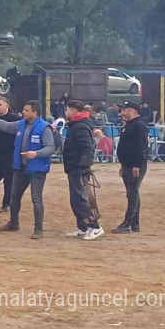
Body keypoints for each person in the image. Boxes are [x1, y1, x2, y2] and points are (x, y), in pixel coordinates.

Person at [0, 100, 56, 240]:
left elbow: (50, 147)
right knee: (14, 197)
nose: (23, 112)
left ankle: (38, 228)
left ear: (35, 113)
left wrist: (36, 154)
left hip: (37, 169)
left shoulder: (45, 128)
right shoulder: (21, 124)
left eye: (26, 110)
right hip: (21, 167)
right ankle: (13, 223)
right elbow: (6, 126)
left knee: (36, 199)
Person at [62, 100, 103, 240]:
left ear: (73, 110)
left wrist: (83, 167)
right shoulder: (77, 125)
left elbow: (87, 148)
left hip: (78, 169)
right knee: (76, 199)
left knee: (80, 199)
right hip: (73, 167)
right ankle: (83, 227)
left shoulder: (80, 126)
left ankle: (95, 226)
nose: (65, 112)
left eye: (67, 110)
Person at [114, 101, 149, 234]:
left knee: (132, 193)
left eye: (125, 110)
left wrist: (137, 165)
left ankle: (127, 223)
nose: (122, 113)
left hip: (135, 165)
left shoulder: (139, 125)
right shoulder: (129, 126)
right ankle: (134, 224)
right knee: (132, 193)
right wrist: (123, 164)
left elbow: (141, 146)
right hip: (128, 165)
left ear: (132, 110)